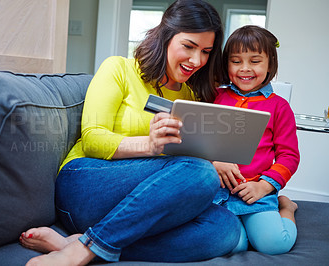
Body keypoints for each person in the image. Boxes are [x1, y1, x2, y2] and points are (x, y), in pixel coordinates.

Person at [20, 0, 242, 265]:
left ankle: (85, 242)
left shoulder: (189, 96)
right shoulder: (119, 68)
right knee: (201, 172)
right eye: (189, 46)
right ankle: (80, 251)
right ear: (166, 36)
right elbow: (92, 139)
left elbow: (181, 163)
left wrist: (212, 156)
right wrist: (150, 145)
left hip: (140, 204)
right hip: (85, 183)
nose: (197, 60)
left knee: (226, 228)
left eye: (206, 51)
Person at [212, 25, 300, 255]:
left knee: (275, 244)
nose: (245, 69)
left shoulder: (279, 107)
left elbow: (289, 156)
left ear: (270, 62)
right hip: (215, 194)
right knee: (234, 245)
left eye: (255, 61)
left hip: (256, 193)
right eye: (236, 61)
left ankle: (286, 207)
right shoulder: (214, 97)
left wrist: (264, 186)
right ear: (226, 63)